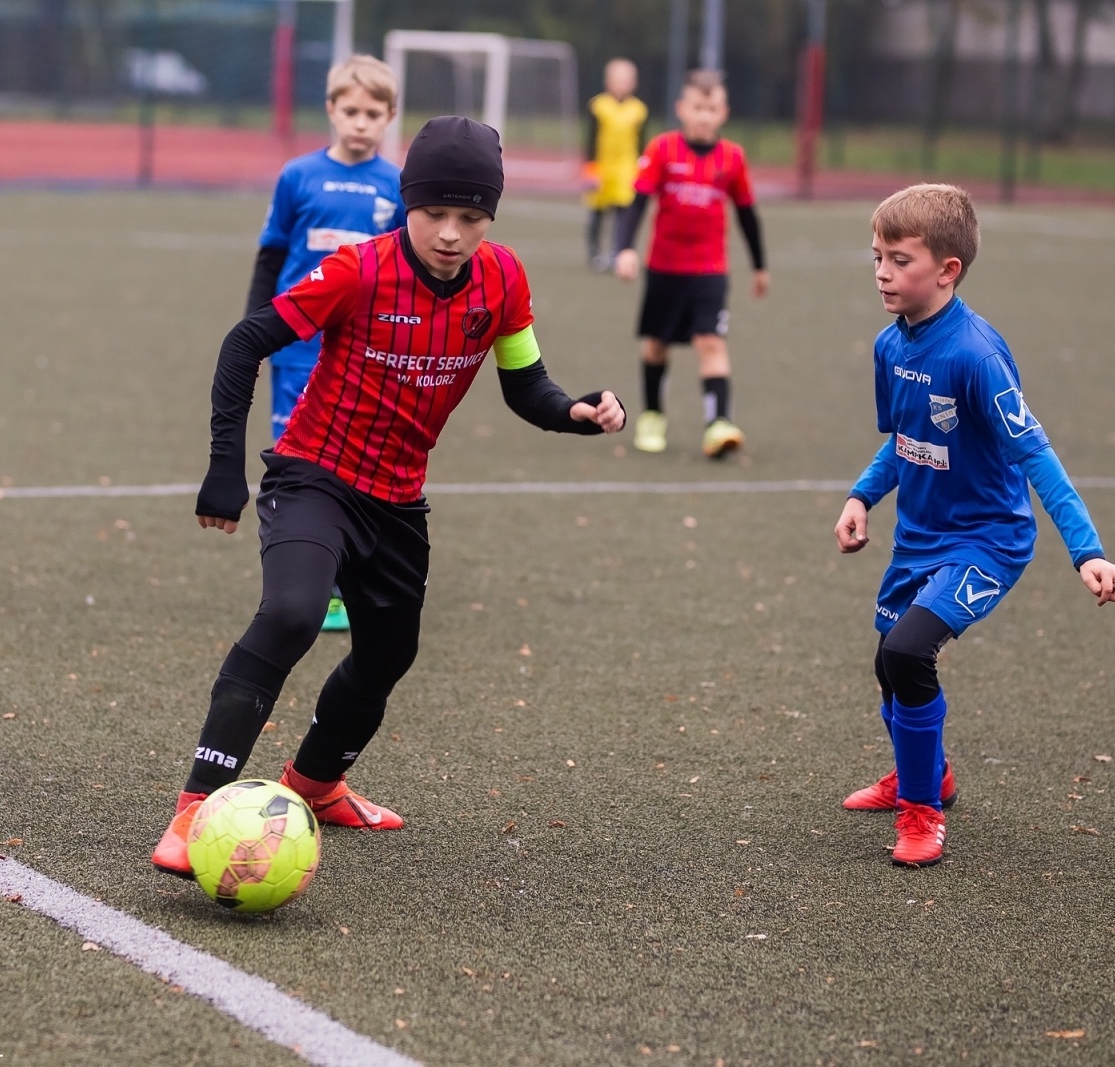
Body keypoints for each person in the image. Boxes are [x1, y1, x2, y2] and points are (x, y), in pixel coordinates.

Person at [152, 116, 627, 878]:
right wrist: (223, 470)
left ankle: (315, 783)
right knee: (291, 614)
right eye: (435, 213)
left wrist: (573, 410)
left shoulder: (504, 278)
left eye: (470, 218)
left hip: (398, 497)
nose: (450, 233)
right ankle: (192, 807)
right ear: (407, 204)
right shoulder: (357, 270)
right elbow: (246, 341)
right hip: (315, 475)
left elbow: (526, 383)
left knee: (388, 652)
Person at [833, 183, 1115, 867]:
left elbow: (1036, 453)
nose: (881, 271)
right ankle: (927, 772)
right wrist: (862, 497)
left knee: (909, 652)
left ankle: (922, 811)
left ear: (947, 270)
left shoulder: (975, 354)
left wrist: (1087, 551)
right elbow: (903, 440)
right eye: (876, 256)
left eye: (898, 259)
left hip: (988, 541)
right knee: (888, 660)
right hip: (919, 538)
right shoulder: (889, 346)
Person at [246, 54, 406, 632]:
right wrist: (256, 327)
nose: (360, 122)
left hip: (365, 350)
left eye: (373, 113)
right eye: (350, 111)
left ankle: (345, 580)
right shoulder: (297, 176)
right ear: (331, 111)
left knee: (355, 463)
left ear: (389, 116)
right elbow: (271, 254)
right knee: (298, 461)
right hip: (296, 346)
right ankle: (299, 570)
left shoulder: (396, 186)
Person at [613, 68, 767, 460]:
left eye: (711, 108)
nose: (704, 116)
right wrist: (625, 248)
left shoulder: (733, 158)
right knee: (657, 345)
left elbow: (748, 214)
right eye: (697, 107)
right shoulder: (663, 149)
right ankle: (652, 415)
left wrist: (760, 266)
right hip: (664, 266)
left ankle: (718, 424)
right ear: (682, 108)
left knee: (711, 342)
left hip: (709, 269)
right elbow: (637, 202)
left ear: (723, 112)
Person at [583, 58, 647, 271]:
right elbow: (591, 140)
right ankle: (594, 253)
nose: (620, 84)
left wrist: (642, 169)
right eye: (616, 79)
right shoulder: (598, 106)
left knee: (624, 213)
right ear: (607, 81)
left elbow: (641, 143)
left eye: (625, 80)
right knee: (598, 212)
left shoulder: (639, 110)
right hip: (603, 168)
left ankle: (618, 252)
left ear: (633, 83)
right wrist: (591, 169)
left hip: (627, 170)